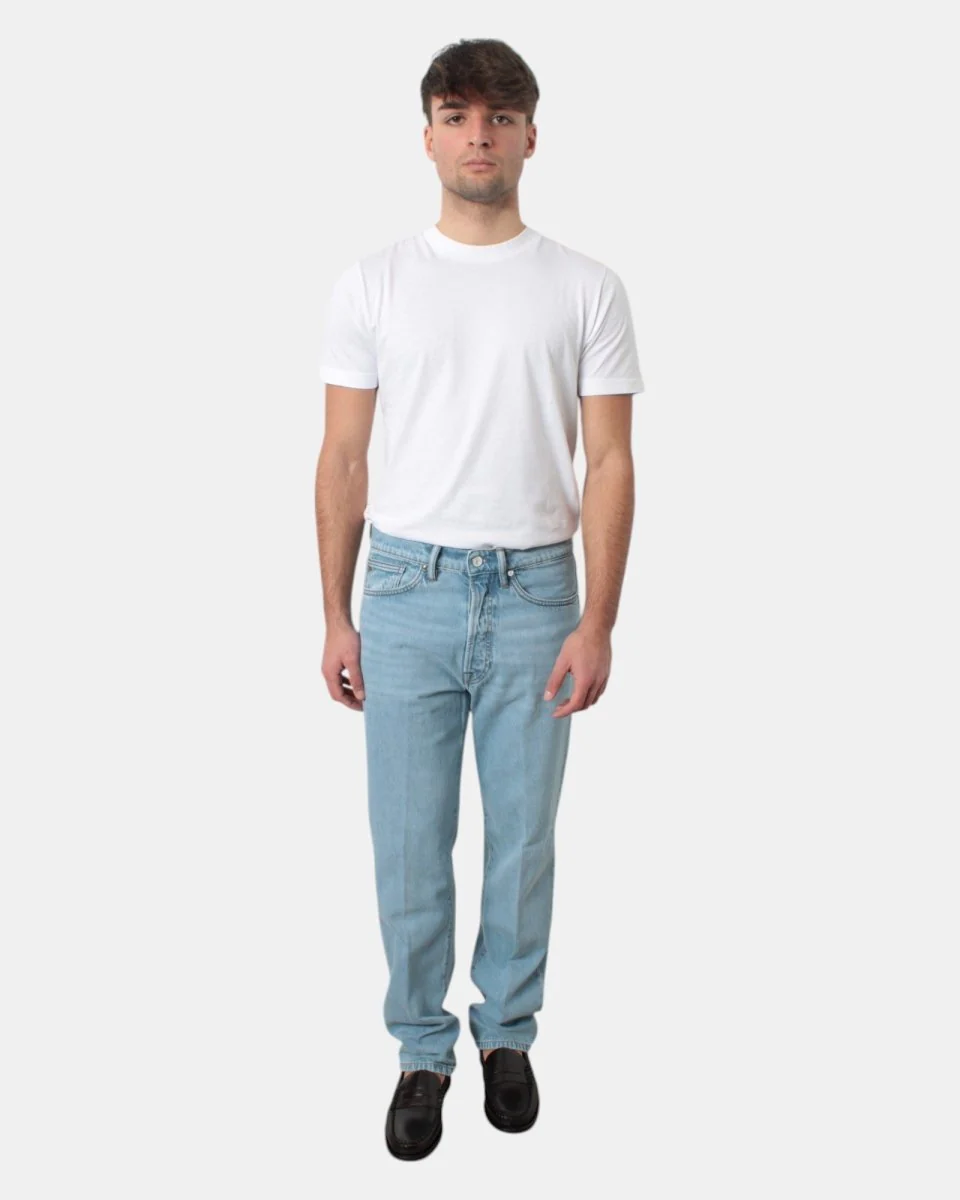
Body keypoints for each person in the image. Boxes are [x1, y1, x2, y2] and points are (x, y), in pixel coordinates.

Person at [315, 37, 645, 1160]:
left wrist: (598, 620)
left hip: (537, 592)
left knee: (522, 840)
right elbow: (343, 456)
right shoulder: (374, 282)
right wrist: (336, 612)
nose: (478, 136)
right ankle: (422, 1049)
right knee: (409, 843)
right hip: (406, 588)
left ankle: (506, 1032)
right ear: (427, 136)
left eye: (499, 117)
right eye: (457, 115)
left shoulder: (586, 286)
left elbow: (610, 460)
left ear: (531, 136)